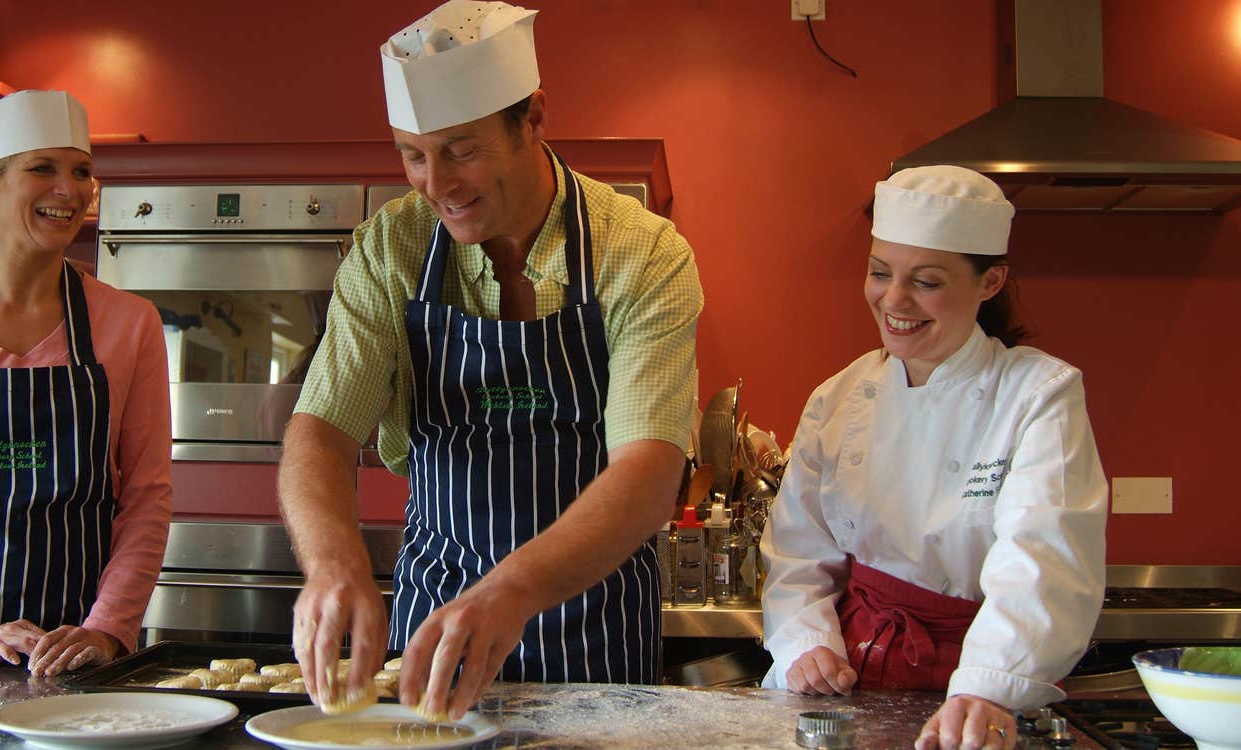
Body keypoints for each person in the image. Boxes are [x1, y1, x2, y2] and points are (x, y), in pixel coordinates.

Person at [278, 0, 702, 720]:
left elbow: (649, 471)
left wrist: (511, 591)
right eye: (413, 155)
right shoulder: (391, 250)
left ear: (533, 119)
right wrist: (333, 563)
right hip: (434, 626)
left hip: (593, 630)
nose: (436, 184)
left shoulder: (642, 252)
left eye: (462, 149)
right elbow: (319, 430)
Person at [760, 165, 1107, 750]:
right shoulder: (838, 397)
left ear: (990, 281)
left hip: (980, 684)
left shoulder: (1037, 394)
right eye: (879, 273)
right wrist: (806, 643)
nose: (894, 300)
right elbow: (797, 548)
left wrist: (986, 688)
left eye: (926, 281)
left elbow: (1043, 557)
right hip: (847, 683)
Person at [0, 91, 172, 676]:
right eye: (42, 169)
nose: (70, 190)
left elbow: (146, 498)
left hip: (79, 652)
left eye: (81, 172)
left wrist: (106, 630)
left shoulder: (129, 323)